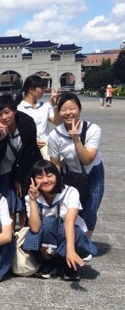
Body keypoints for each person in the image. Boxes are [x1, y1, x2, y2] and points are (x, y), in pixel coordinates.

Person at [23, 160, 97, 281]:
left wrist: (70, 250)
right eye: (39, 177)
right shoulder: (30, 197)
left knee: (68, 228)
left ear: (57, 176)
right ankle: (49, 262)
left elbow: (69, 221)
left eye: (49, 175)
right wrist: (32, 200)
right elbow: (35, 228)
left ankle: (67, 264)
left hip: (70, 235)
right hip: (46, 241)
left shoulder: (70, 192)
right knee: (47, 222)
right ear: (33, 180)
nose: (45, 180)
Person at [48, 92, 104, 238]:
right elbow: (55, 164)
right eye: (63, 109)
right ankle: (72, 240)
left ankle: (84, 243)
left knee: (90, 210)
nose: (68, 113)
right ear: (59, 112)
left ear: (80, 109)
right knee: (71, 209)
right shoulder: (55, 135)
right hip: (70, 175)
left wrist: (76, 139)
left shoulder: (92, 129)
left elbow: (87, 160)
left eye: (72, 108)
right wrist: (54, 187)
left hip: (93, 173)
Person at [0, 95, 42, 225]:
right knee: (8, 202)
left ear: (14, 110)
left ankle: (24, 230)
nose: (4, 117)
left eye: (7, 112)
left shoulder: (27, 123)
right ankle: (9, 232)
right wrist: (2, 138)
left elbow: (29, 152)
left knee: (24, 200)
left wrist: (18, 179)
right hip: (5, 167)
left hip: (25, 166)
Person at [16, 75, 60, 159]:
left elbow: (57, 122)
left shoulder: (45, 106)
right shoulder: (19, 109)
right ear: (32, 90)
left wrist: (54, 105)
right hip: (29, 150)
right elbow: (16, 133)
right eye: (41, 88)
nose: (43, 91)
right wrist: (31, 141)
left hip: (47, 147)